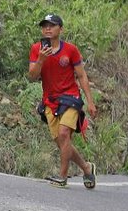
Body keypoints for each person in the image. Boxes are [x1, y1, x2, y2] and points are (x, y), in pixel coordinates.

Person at [30, 13, 97, 188]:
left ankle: (62, 176)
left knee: (64, 134)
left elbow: (81, 75)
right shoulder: (37, 49)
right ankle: (86, 168)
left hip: (70, 97)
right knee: (62, 143)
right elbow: (32, 76)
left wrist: (90, 102)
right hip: (50, 101)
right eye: (45, 26)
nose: (47, 28)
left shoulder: (71, 50)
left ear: (61, 29)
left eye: (52, 25)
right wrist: (41, 60)